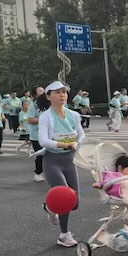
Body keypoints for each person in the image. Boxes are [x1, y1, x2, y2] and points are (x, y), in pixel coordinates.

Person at [38, 81, 85, 247]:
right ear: (48, 96)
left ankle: (50, 207)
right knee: (65, 198)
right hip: (52, 161)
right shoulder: (45, 117)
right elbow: (43, 141)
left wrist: (77, 143)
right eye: (57, 92)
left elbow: (81, 134)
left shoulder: (74, 115)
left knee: (75, 203)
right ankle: (64, 235)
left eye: (64, 92)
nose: (62, 95)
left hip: (70, 160)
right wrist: (64, 144)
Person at [27, 86, 47, 182]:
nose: (43, 92)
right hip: (36, 134)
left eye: (44, 90)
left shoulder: (49, 104)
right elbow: (30, 120)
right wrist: (42, 120)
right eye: (40, 91)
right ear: (35, 94)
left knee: (50, 155)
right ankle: (38, 173)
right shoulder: (33, 105)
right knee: (40, 154)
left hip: (48, 134)